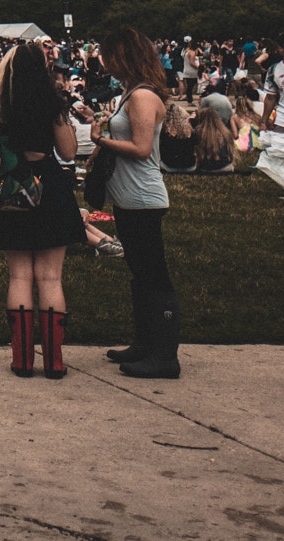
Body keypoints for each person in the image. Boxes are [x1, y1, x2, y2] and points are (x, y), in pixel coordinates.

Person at [0, 44, 82, 379]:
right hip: (48, 186)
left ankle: (22, 359)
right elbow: (68, 151)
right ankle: (54, 361)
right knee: (50, 277)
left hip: (9, 190)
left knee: (19, 275)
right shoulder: (53, 104)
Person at [95, 27, 178, 379]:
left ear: (122, 54)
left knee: (153, 275)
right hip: (130, 198)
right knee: (140, 274)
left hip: (143, 197)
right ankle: (145, 342)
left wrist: (101, 139)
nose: (102, 60)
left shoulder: (142, 96)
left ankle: (164, 355)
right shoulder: (131, 91)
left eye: (107, 53)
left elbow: (142, 150)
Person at [255, 35, 284, 198]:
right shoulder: (274, 70)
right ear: (281, 49)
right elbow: (270, 97)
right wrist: (264, 121)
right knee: (274, 155)